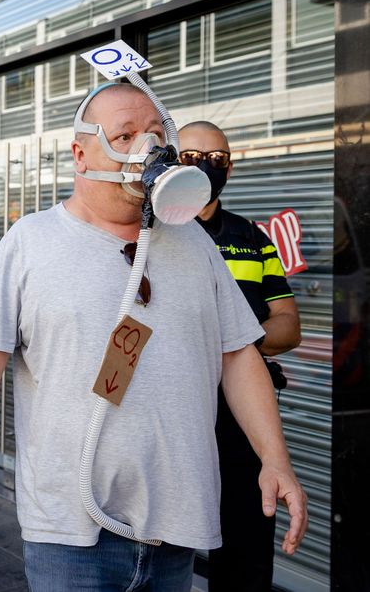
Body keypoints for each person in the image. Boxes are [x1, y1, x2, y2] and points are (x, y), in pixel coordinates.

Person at [0, 82, 308, 591]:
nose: (146, 148)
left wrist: (275, 459)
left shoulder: (194, 241)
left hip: (174, 526)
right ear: (81, 152)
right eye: (126, 134)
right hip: (70, 532)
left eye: (156, 133)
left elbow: (239, 355)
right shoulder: (30, 242)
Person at [181, 121, 302, 591]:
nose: (206, 166)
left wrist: (232, 348)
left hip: (243, 416)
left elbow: (288, 325)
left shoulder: (252, 237)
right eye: (191, 157)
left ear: (228, 166)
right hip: (173, 409)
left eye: (215, 157)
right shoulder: (149, 231)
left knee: (246, 553)